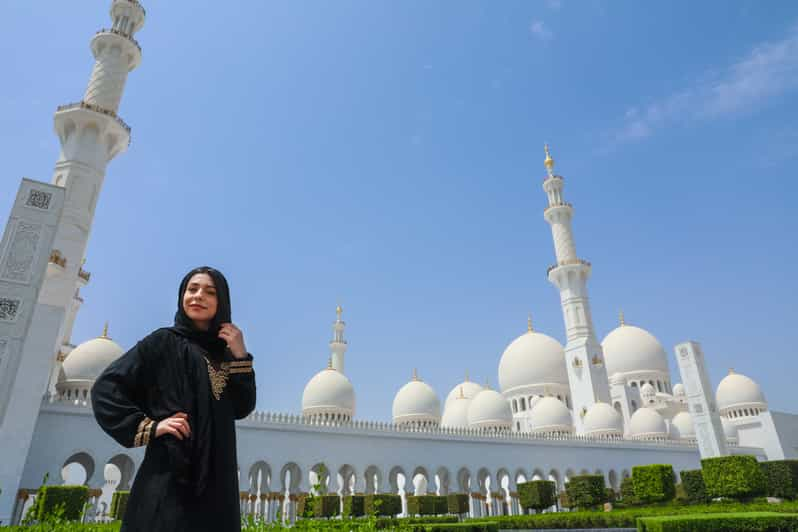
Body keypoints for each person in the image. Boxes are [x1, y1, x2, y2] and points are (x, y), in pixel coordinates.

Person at [91, 266, 257, 531]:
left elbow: (242, 407)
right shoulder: (163, 342)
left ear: (221, 301)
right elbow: (106, 388)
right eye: (192, 289)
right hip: (172, 474)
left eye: (209, 291)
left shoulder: (225, 354)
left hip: (217, 480)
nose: (198, 296)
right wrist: (152, 426)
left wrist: (240, 357)